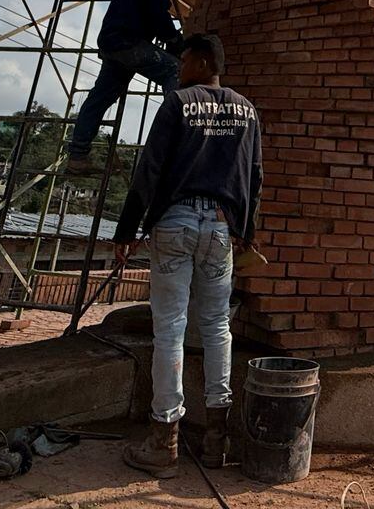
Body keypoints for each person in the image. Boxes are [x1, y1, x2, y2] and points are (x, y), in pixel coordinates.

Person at [113, 32, 262, 476]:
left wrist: (127, 229)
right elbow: (255, 176)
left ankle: (165, 441)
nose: (178, 68)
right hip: (220, 228)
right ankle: (217, 438)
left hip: (175, 225)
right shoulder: (248, 111)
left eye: (183, 61)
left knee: (171, 329)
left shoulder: (178, 103)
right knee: (217, 326)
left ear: (200, 61)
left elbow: (150, 168)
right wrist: (245, 232)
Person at [64, 0, 198, 176]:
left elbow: (151, 14)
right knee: (174, 70)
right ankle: (172, 142)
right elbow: (157, 16)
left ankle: (77, 155)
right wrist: (175, 40)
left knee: (100, 97)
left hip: (115, 40)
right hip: (126, 42)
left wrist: (169, 37)